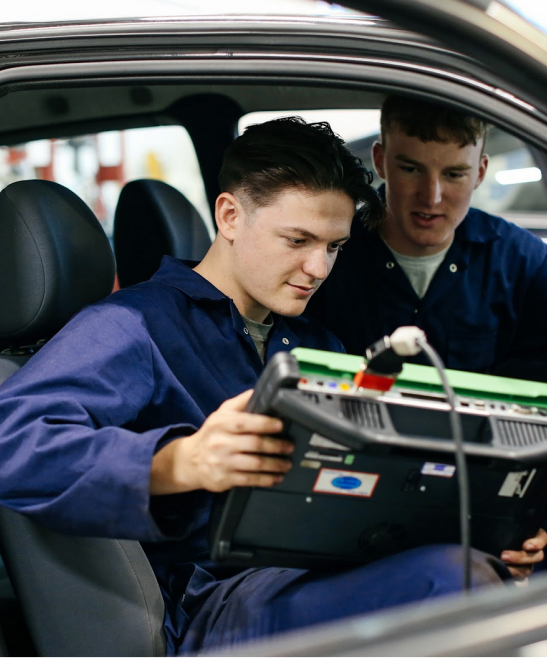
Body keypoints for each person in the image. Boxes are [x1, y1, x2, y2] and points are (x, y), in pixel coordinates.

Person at [0, 117, 542, 656]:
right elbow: (12, 442)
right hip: (226, 604)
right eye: (298, 240)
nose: (317, 267)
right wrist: (177, 462)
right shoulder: (133, 325)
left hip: (325, 564)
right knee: (454, 583)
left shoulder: (316, 344)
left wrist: (486, 533)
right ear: (230, 215)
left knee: (483, 568)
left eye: (333, 246)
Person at [308, 96, 547, 382]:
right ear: (380, 162)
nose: (431, 196)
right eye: (411, 169)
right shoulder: (327, 257)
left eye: (454, 174)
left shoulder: (525, 264)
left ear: (480, 173)